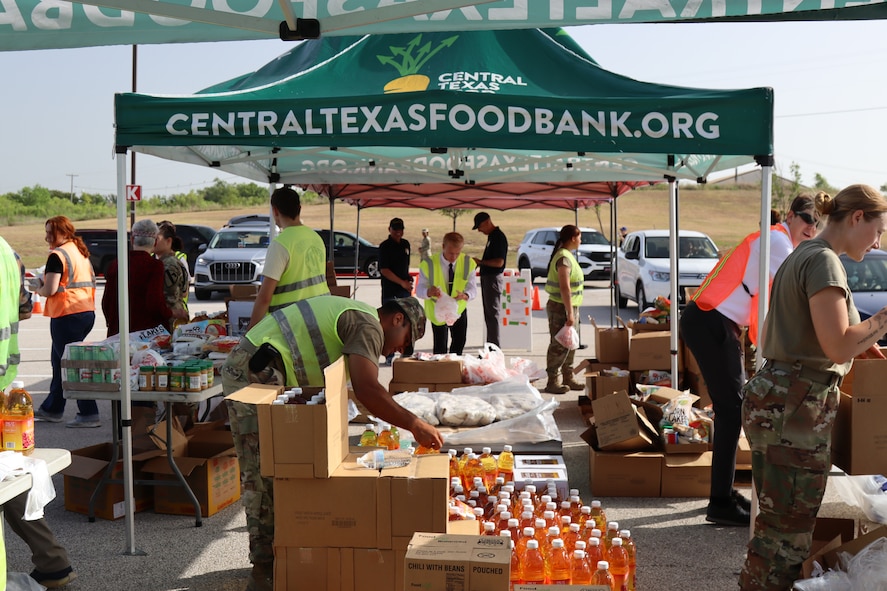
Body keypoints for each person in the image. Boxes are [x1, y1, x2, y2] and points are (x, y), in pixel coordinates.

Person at [221, 295, 443, 591]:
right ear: (397, 319)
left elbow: (364, 393)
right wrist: (414, 424)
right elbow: (367, 389)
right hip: (251, 372)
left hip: (267, 370)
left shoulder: (359, 319)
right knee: (263, 473)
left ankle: (286, 557)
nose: (400, 350)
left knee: (288, 468)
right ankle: (264, 572)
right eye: (406, 340)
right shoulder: (369, 325)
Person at [739, 184, 887, 591]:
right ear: (857, 217)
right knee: (786, 537)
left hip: (783, 399)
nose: (878, 242)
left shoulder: (804, 255)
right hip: (795, 406)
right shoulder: (823, 262)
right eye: (878, 230)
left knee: (777, 528)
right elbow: (838, 343)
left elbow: (830, 337)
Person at [681, 194, 821, 527]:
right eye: (807, 219)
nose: (812, 228)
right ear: (791, 216)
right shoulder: (778, 242)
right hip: (711, 320)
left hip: (717, 321)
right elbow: (799, 289)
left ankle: (724, 495)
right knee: (732, 410)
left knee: (732, 409)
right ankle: (720, 501)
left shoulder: (778, 240)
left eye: (818, 223)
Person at [0, 236, 78, 589]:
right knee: (9, 480)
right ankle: (53, 562)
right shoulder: (8, 254)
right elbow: (25, 309)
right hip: (6, 387)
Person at [31, 216, 100, 428]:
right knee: (59, 362)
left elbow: (50, 289)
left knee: (72, 365)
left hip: (66, 314)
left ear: (62, 232)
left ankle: (89, 413)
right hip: (84, 312)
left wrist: (37, 288)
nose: (46, 237)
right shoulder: (79, 251)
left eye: (50, 233)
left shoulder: (57, 255)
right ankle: (52, 408)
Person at [247, 187, 329, 330]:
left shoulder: (280, 244)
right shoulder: (316, 238)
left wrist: (251, 332)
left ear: (275, 211)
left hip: (292, 325)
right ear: (299, 208)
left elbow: (264, 297)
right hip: (321, 316)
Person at [102, 219, 186, 337]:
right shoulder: (154, 266)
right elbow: (154, 303)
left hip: (118, 332)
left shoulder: (117, 264)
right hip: (147, 334)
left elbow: (106, 301)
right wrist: (172, 313)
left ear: (132, 240)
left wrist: (112, 323)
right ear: (155, 242)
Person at [417, 232, 477, 355]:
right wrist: (428, 292)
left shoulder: (467, 262)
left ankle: (454, 369)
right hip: (437, 311)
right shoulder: (428, 264)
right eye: (450, 253)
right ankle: (441, 372)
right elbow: (419, 290)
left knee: (459, 342)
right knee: (440, 347)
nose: (454, 257)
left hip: (458, 309)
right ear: (443, 247)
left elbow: (473, 289)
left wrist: (466, 295)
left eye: (457, 253)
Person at [543, 225, 586, 394]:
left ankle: (568, 376)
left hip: (570, 306)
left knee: (571, 343)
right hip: (560, 307)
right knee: (559, 345)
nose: (581, 241)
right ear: (573, 238)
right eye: (580, 237)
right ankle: (552, 381)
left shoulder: (567, 256)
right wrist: (569, 313)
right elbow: (564, 287)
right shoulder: (563, 258)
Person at [379, 217, 413, 363]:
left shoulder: (406, 244)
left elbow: (404, 266)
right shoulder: (384, 246)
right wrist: (401, 283)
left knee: (407, 322)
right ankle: (389, 355)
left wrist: (408, 279)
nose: (398, 233)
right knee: (390, 324)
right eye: (395, 230)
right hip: (391, 290)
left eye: (400, 230)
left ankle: (406, 353)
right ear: (389, 229)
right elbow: (384, 270)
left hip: (404, 290)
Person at [472, 212, 508, 347]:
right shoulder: (493, 237)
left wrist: (481, 262)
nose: (480, 230)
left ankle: (494, 348)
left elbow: (499, 262)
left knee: (492, 315)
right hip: (488, 279)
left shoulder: (498, 237)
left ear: (487, 222)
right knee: (489, 315)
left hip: (493, 279)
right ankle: (491, 346)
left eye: (480, 226)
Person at [154, 221, 191, 329]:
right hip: (175, 315)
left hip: (170, 319)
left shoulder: (168, 264)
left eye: (157, 239)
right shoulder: (170, 261)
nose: (153, 242)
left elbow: (167, 295)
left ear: (168, 241)